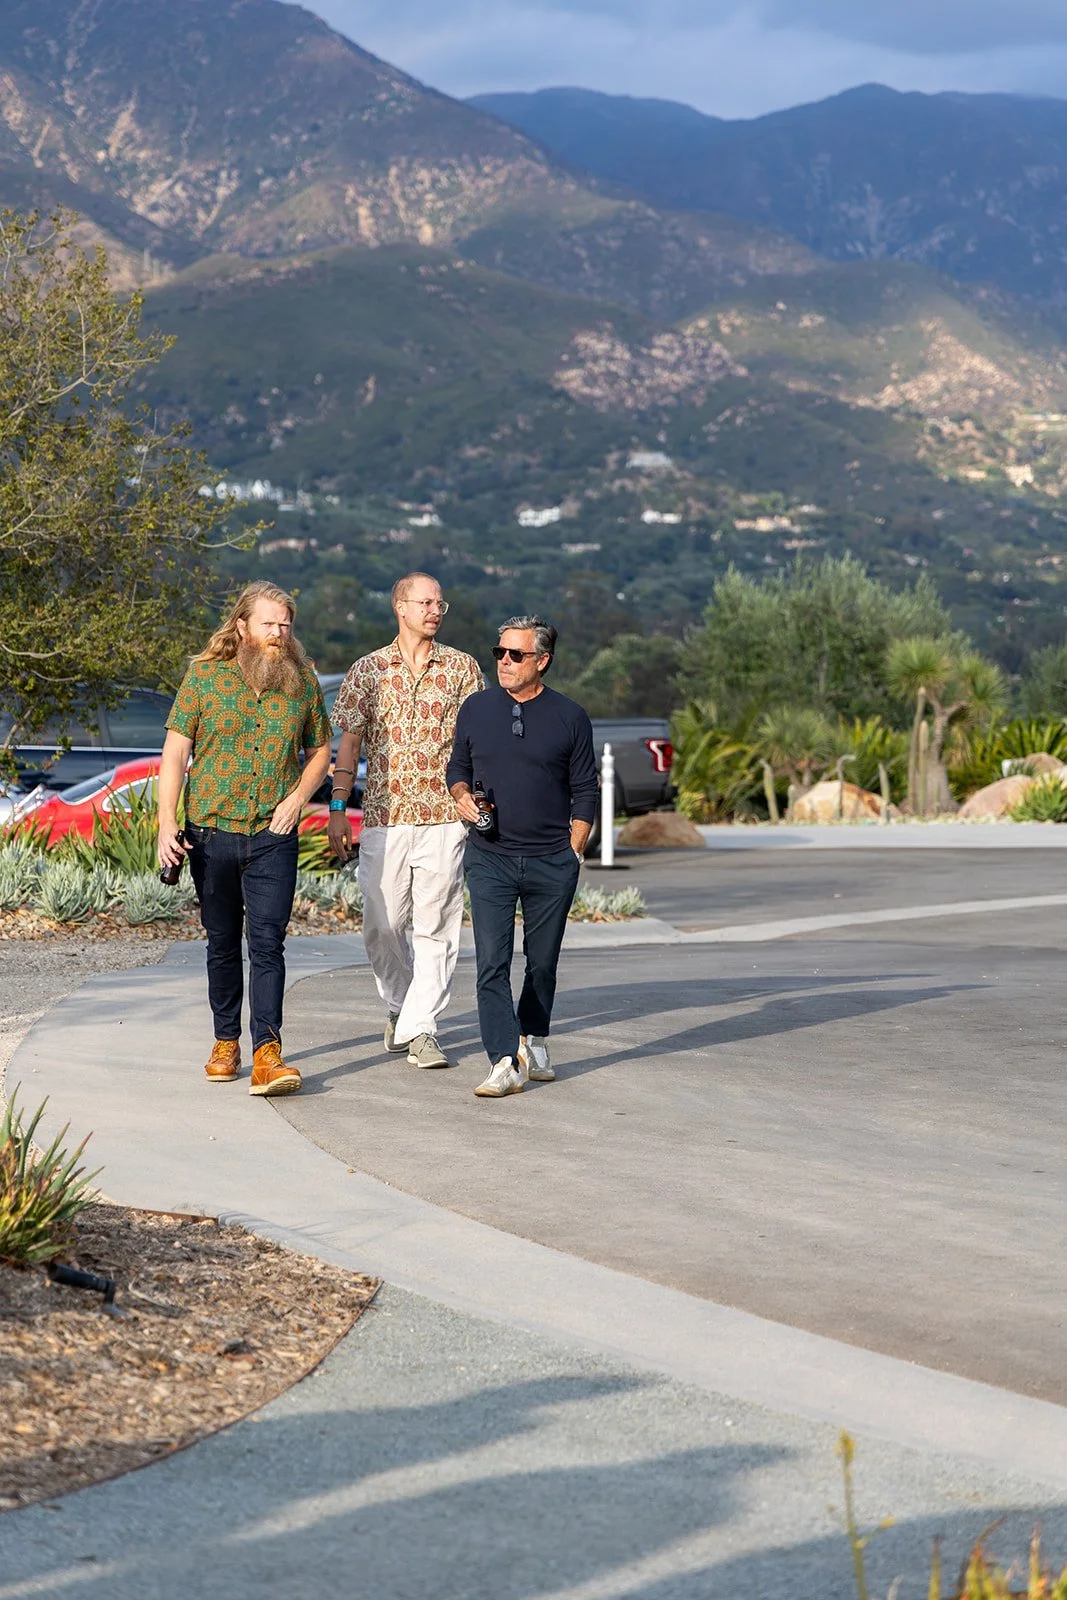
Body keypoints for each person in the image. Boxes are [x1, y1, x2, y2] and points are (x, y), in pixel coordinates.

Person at [158, 581, 332, 1097]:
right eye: (269, 624)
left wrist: (297, 798)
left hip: (272, 834)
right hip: (210, 833)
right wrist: (167, 822)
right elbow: (173, 755)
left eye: (285, 624)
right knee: (221, 943)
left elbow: (320, 751)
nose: (279, 634)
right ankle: (225, 1041)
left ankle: (267, 1054)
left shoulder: (302, 680)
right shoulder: (204, 679)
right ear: (242, 626)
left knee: (268, 944)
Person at [328, 573, 482, 1067]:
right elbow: (347, 745)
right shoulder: (367, 670)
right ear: (400, 606)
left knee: (437, 926)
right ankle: (400, 1003)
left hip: (443, 816)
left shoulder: (462, 669)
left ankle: (420, 1029)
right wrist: (336, 808)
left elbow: (476, 743)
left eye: (442, 602)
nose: (436, 610)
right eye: (426, 602)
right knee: (382, 923)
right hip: (383, 816)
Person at [447, 614, 598, 1097]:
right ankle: (502, 1060)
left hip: (551, 859)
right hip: (489, 856)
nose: (505, 662)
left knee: (542, 962)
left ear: (543, 661)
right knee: (491, 961)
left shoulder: (570, 717)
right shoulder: (474, 709)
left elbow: (584, 791)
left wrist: (572, 851)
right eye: (500, 653)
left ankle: (534, 1037)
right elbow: (458, 766)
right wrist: (461, 794)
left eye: (516, 655)